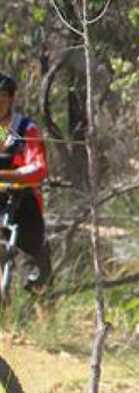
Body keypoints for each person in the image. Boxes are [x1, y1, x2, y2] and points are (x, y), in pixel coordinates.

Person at [0, 73, 51, 289]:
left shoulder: (25, 129)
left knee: (36, 272)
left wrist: (7, 176)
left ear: (11, 98)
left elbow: (38, 169)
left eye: (1, 96)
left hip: (22, 203)